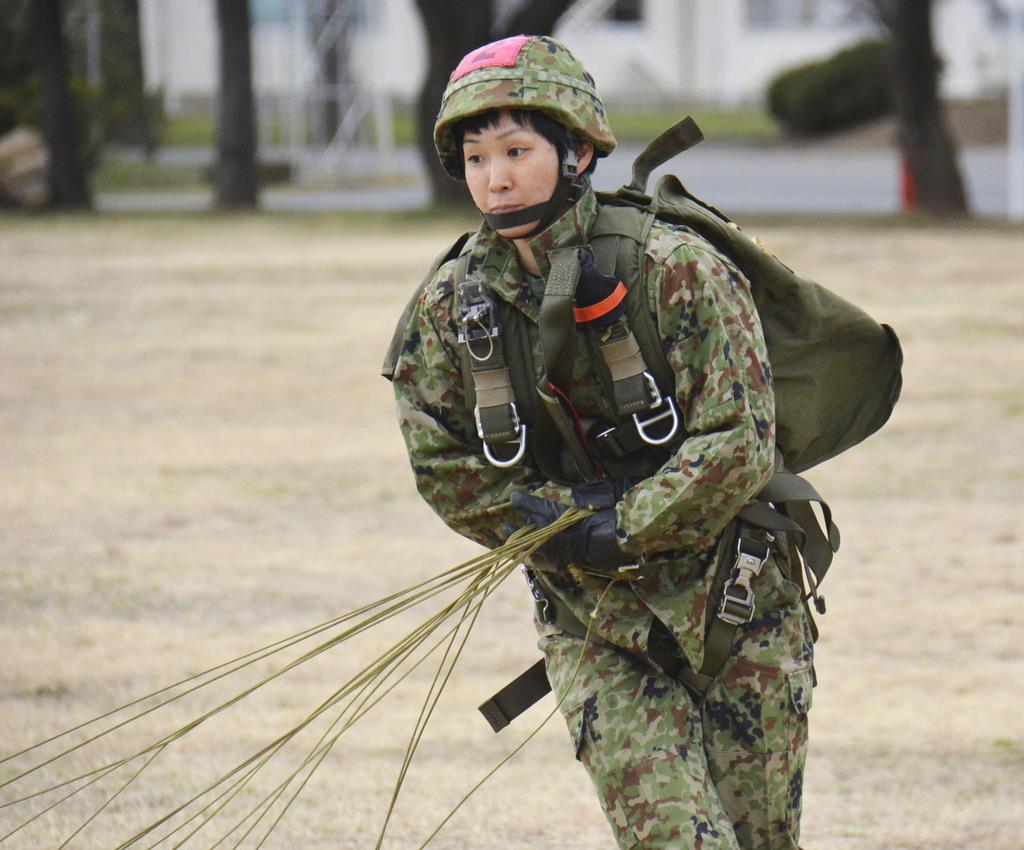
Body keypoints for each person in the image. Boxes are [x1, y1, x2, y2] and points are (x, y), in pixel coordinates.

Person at [387, 34, 814, 850]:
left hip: (739, 605)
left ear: (577, 150)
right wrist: (552, 526)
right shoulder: (451, 307)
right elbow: (441, 461)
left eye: (517, 150)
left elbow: (740, 437)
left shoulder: (675, 268)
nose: (495, 177)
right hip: (594, 621)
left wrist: (624, 524)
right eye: (476, 157)